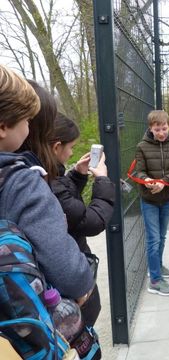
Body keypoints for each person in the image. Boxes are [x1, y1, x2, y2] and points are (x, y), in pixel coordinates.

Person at [0, 64, 94, 303]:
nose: (29, 127)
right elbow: (66, 266)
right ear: (3, 127)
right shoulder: (22, 181)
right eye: (27, 120)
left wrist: (78, 176)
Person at [50, 113, 115, 326]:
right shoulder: (48, 182)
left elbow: (64, 197)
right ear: (56, 147)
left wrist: (77, 174)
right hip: (70, 284)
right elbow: (91, 221)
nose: (71, 153)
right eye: (70, 147)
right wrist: (102, 180)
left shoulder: (51, 176)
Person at [135, 110, 169, 296]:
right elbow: (138, 172)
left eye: (164, 128)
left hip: (166, 198)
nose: (161, 133)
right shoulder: (142, 147)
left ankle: (158, 266)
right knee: (153, 238)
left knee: (162, 237)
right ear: (150, 128)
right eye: (157, 129)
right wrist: (147, 181)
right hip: (149, 199)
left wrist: (164, 182)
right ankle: (155, 280)